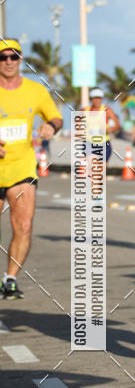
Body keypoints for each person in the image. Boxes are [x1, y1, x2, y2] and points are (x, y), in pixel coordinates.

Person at [0, 38, 63, 299]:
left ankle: (10, 279)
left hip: (22, 168)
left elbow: (55, 116)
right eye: (3, 57)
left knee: (24, 226)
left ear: (21, 59)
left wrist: (52, 126)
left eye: (13, 56)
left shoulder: (35, 91)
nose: (8, 62)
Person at [84, 87, 120, 162]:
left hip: (104, 144)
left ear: (102, 99)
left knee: (102, 170)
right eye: (94, 98)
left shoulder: (107, 110)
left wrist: (108, 129)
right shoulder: (84, 110)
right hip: (89, 144)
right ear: (91, 99)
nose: (97, 100)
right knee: (91, 167)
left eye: (99, 98)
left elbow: (117, 125)